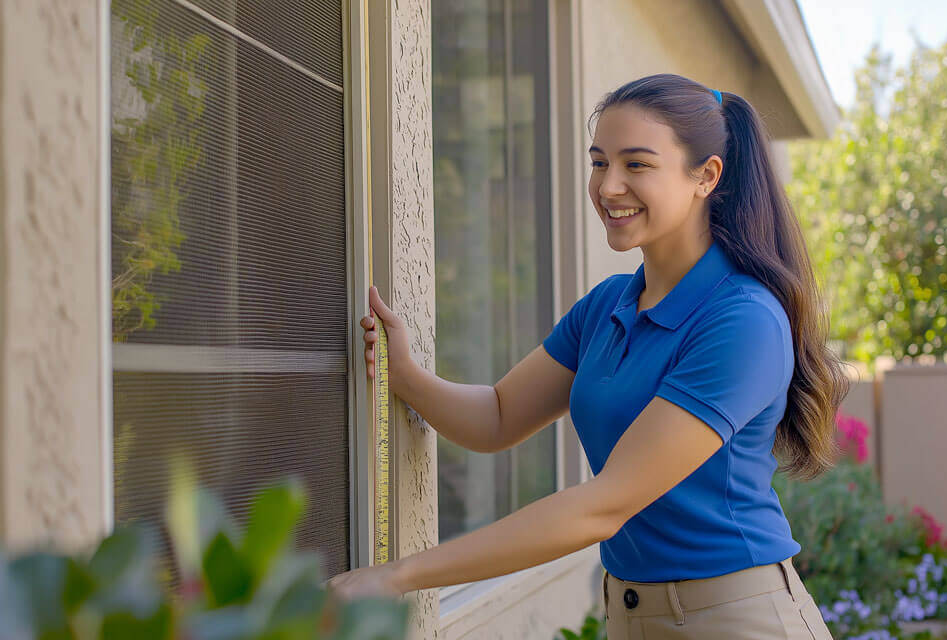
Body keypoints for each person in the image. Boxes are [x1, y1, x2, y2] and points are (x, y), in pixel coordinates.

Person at [329, 73, 848, 639]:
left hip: (736, 618)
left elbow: (603, 506)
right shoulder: (607, 307)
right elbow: (497, 416)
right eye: (600, 162)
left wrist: (399, 576)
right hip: (631, 614)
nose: (608, 186)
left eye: (637, 164)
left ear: (706, 175)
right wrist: (406, 376)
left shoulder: (743, 320)